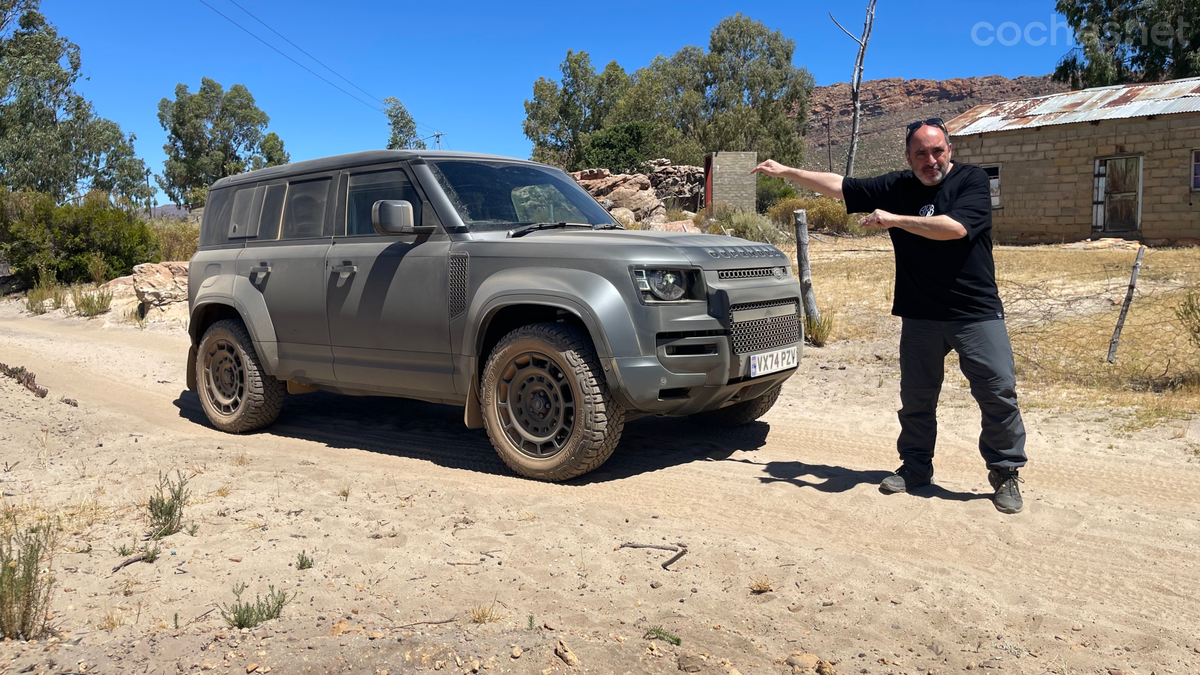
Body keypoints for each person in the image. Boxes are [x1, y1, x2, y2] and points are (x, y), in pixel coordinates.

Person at [751, 118, 1027, 514]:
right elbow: (841, 185)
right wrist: (788, 171)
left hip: (974, 311)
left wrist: (894, 220)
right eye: (921, 153)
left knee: (997, 393)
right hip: (919, 314)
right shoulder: (898, 185)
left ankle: (1005, 472)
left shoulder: (972, 181)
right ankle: (916, 467)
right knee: (916, 398)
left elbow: (955, 229)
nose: (930, 160)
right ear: (908, 156)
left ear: (950, 150)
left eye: (937, 151)